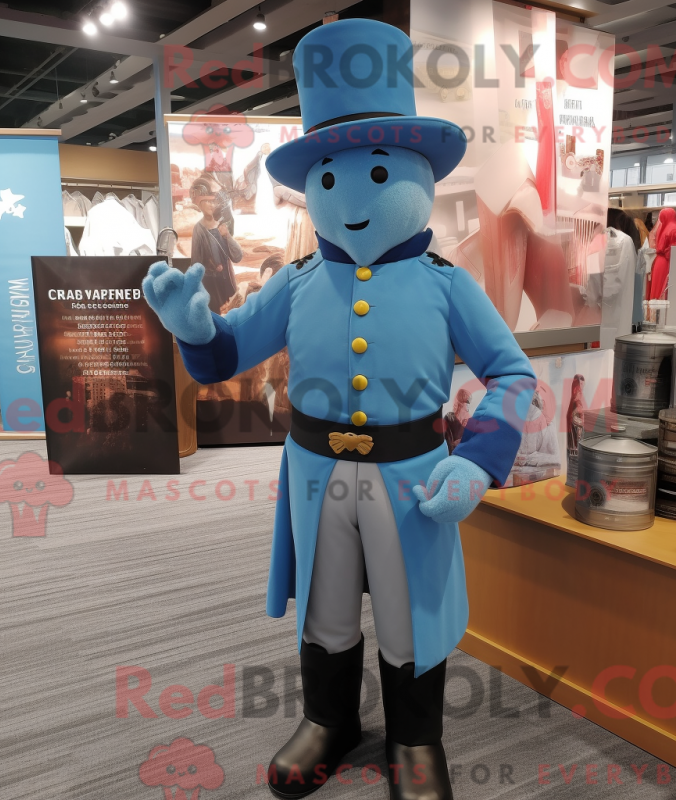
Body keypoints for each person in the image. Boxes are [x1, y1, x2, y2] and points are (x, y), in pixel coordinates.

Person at [143, 19, 536, 800]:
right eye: (327, 177)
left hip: (412, 477)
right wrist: (194, 329)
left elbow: (513, 374)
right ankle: (329, 719)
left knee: (408, 612)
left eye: (379, 173)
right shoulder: (292, 283)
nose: (350, 197)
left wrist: (478, 461)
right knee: (323, 611)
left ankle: (416, 737)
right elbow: (226, 356)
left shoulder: (447, 283)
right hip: (314, 475)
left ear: (418, 173)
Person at [189, 175, 243, 311]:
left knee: (231, 312)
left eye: (213, 201)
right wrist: (211, 268)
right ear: (199, 203)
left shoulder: (222, 226)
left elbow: (237, 257)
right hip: (210, 287)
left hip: (228, 283)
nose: (211, 205)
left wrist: (227, 236)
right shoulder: (198, 229)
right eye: (207, 201)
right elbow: (196, 264)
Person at [648, 207, 676, 300]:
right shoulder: (675, 230)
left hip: (658, 263)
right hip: (667, 264)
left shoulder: (662, 228)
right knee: (666, 294)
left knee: (657, 294)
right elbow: (675, 253)